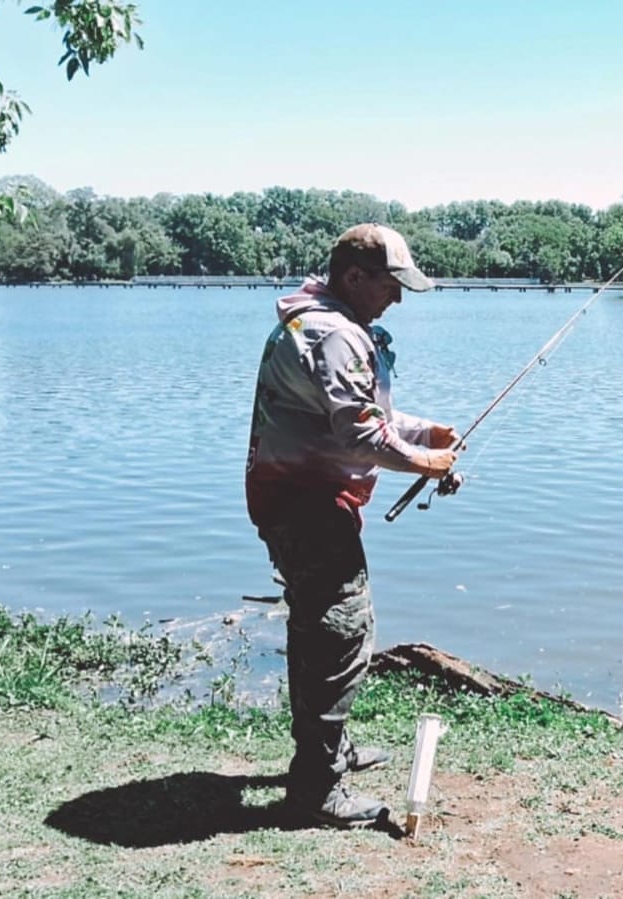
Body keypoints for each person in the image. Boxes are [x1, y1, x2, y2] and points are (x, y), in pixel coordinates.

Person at [245, 223, 460, 828]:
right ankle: (317, 790)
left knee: (320, 628)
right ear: (354, 277)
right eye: (391, 286)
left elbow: (365, 413)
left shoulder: (319, 323)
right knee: (339, 631)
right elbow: (360, 434)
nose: (396, 299)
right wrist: (424, 460)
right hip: (305, 503)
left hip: (297, 496)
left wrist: (422, 435)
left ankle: (329, 752)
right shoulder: (333, 334)